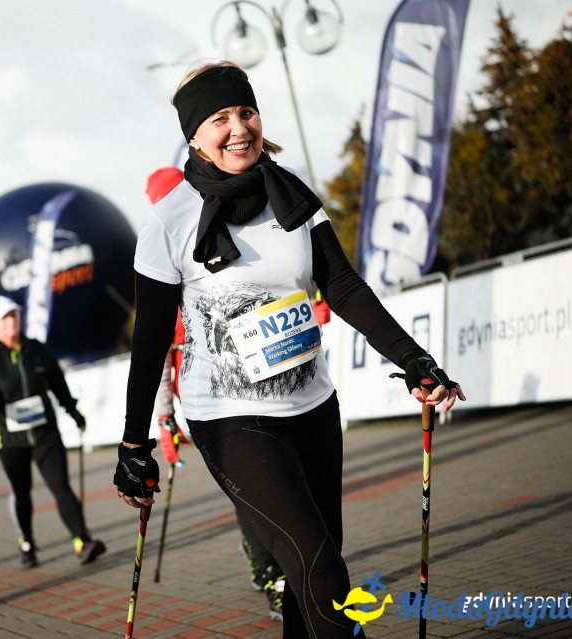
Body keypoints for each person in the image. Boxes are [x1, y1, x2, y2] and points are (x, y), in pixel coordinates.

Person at [114, 61, 466, 639]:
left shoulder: (292, 193)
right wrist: (135, 443)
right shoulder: (168, 221)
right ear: (194, 135)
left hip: (312, 406)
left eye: (245, 112)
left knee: (311, 581)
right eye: (219, 118)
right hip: (229, 419)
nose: (238, 128)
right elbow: (150, 340)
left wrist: (414, 360)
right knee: (323, 569)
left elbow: (344, 286)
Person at [146, 166, 288, 621]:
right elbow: (156, 358)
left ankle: (284, 568)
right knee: (253, 489)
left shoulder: (236, 233)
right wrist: (164, 421)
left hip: (269, 382)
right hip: (214, 401)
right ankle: (274, 576)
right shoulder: (163, 258)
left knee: (280, 483)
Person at [0, 295, 106, 568]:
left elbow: (58, 384)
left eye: (15, 315)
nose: (12, 321)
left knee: (61, 486)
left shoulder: (37, 350)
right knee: (22, 492)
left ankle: (82, 541)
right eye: (5, 317)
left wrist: (72, 411)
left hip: (45, 434)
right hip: (11, 438)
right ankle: (26, 544)